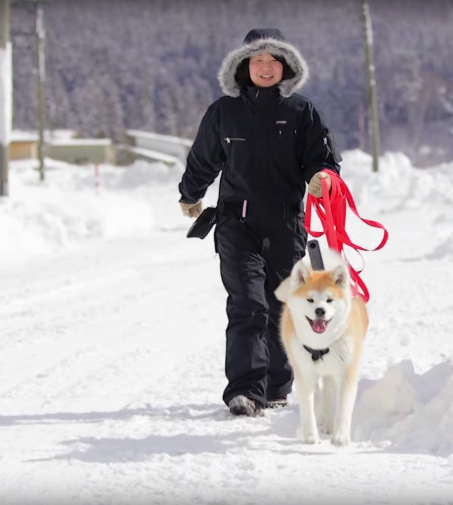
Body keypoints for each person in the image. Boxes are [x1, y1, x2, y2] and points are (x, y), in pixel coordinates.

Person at [177, 28, 342, 417]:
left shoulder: (302, 111)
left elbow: (323, 158)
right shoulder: (224, 112)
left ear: (285, 67)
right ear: (243, 66)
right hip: (237, 225)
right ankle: (246, 390)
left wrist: (321, 177)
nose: (265, 68)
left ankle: (276, 385)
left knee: (280, 304)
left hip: (286, 226)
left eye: (273, 61)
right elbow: (203, 158)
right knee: (248, 305)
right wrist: (191, 193)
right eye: (257, 60)